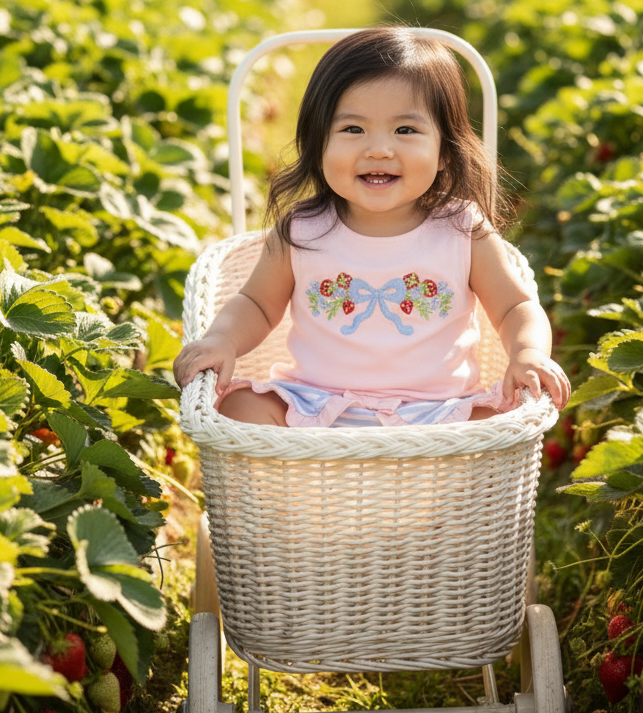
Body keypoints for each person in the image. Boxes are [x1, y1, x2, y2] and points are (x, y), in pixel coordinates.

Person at [173, 27, 570, 427]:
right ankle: (298, 467)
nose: (379, 149)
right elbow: (256, 304)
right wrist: (223, 339)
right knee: (239, 409)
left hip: (439, 412)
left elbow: (516, 307)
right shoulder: (302, 230)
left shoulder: (463, 229)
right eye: (353, 129)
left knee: (498, 423)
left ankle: (449, 464)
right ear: (318, 144)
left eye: (405, 130)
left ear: (444, 153)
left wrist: (527, 352)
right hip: (314, 405)